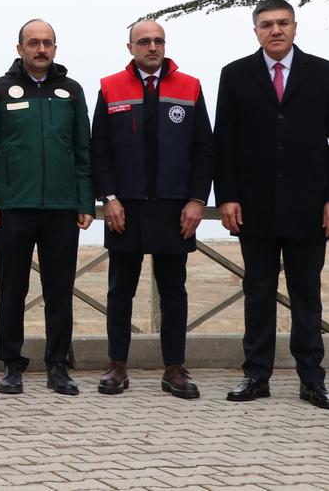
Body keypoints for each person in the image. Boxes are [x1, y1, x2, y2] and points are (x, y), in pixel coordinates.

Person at [215, 0, 329, 409]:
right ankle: (255, 376)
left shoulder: (325, 73)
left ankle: (312, 379)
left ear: (295, 27)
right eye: (266, 24)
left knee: (306, 295)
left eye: (282, 23)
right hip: (253, 206)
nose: (275, 30)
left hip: (309, 207)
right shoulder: (235, 74)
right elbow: (224, 142)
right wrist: (227, 197)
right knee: (257, 292)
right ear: (255, 31)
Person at [90, 20, 212, 399]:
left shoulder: (190, 86)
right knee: (119, 291)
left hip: (176, 208)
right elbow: (99, 149)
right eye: (144, 41)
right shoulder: (110, 87)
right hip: (124, 208)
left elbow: (204, 149)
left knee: (174, 291)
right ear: (130, 48)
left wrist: (197, 200)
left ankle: (174, 368)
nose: (152, 47)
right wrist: (108, 198)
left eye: (158, 40)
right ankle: (117, 365)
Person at [0, 18, 93, 396]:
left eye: (47, 43)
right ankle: (12, 364)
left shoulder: (71, 91)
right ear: (20, 48)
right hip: (14, 207)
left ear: (55, 48)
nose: (41, 49)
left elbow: (82, 149)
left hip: (62, 207)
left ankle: (58, 365)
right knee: (12, 289)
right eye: (33, 43)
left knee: (59, 291)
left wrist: (84, 200)